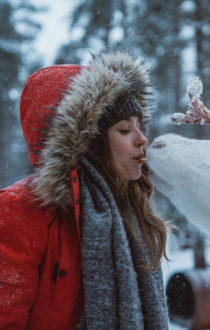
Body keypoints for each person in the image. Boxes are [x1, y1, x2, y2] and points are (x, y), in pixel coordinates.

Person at [0, 51, 169, 329]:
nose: (142, 140)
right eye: (125, 130)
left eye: (140, 126)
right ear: (89, 145)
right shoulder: (18, 210)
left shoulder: (129, 211)